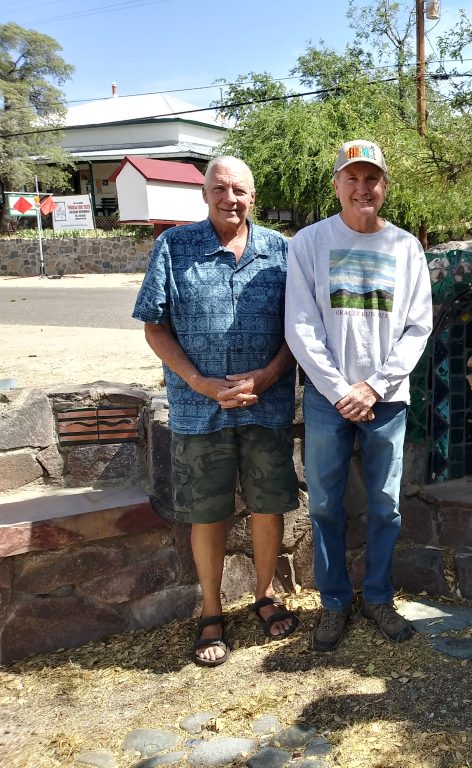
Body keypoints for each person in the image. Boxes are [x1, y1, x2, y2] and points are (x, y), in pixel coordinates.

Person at [133, 156, 300, 667]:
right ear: (205, 193)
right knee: (207, 514)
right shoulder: (174, 247)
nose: (231, 198)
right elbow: (154, 326)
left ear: (254, 197)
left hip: (265, 407)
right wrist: (200, 382)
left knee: (269, 506)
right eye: (221, 188)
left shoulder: (282, 252)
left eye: (241, 190)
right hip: (197, 411)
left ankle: (265, 596)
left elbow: (301, 327)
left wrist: (268, 376)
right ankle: (211, 611)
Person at [285, 139, 433, 650]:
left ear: (384, 187)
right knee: (325, 504)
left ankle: (378, 597)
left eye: (372, 179)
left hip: (387, 398)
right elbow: (300, 325)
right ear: (337, 186)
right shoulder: (309, 243)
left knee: (386, 506)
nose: (362, 187)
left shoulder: (406, 247)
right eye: (352, 178)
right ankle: (333, 603)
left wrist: (375, 385)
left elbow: (418, 326)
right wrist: (340, 388)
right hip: (330, 399)